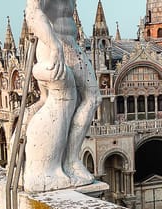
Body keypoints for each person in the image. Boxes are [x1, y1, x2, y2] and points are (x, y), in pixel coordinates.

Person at [23, 0, 100, 192]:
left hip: (68, 45)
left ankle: (68, 160)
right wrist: (55, 46)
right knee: (71, 100)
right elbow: (32, 13)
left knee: (89, 98)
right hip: (56, 46)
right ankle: (61, 163)